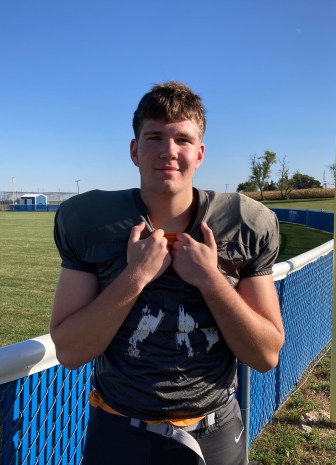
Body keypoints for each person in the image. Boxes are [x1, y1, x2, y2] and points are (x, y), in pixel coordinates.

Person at [50, 81, 284, 465]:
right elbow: (71, 352)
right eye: (155, 137)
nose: (169, 151)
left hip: (215, 429)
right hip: (120, 431)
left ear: (200, 153)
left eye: (183, 139)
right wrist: (135, 276)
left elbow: (264, 355)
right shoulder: (90, 223)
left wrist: (210, 279)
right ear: (134, 150)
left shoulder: (244, 224)